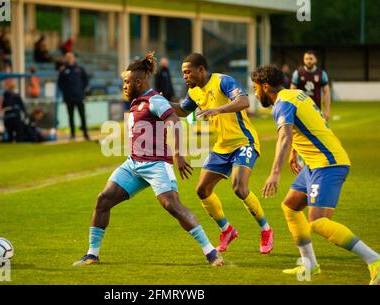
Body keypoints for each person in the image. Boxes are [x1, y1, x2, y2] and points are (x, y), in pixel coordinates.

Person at [73, 52, 223, 267]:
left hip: (156, 165)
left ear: (139, 82)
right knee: (103, 200)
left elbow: (174, 120)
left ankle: (211, 252)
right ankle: (92, 255)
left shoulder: (154, 100)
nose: (124, 86)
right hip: (133, 164)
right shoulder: (136, 101)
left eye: (127, 82)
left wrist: (178, 153)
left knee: (172, 206)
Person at [251, 65, 380, 285]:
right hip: (313, 163)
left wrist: (274, 173)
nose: (255, 93)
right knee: (290, 206)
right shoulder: (296, 95)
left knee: (319, 221)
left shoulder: (282, 104)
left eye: (255, 88)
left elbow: (284, 137)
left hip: (328, 163)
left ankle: (375, 260)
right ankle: (309, 263)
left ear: (265, 86)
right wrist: (294, 154)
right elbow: (304, 125)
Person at [171, 53, 273, 254]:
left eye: (187, 72)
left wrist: (218, 110)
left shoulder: (223, 81)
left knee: (239, 187)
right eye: (183, 73)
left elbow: (244, 101)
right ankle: (226, 230)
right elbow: (182, 111)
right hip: (222, 146)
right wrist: (156, 101)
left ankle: (266, 229)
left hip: (244, 142)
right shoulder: (194, 93)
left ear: (201, 70)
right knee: (202, 190)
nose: (185, 77)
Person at [57, 52, 90, 140]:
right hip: (69, 98)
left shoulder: (79, 69)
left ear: (74, 58)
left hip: (79, 96)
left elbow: (86, 79)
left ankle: (85, 133)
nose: (70, 59)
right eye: (68, 57)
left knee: (82, 115)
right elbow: (60, 83)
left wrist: (81, 89)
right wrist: (65, 91)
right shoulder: (63, 70)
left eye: (71, 57)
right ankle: (72, 134)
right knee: (71, 116)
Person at [291, 50, 331, 121]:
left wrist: (327, 109)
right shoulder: (297, 73)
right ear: (303, 60)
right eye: (306, 59)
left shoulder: (322, 74)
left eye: (311, 59)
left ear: (316, 60)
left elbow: (326, 92)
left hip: (316, 109)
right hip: (300, 109)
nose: (308, 61)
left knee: (316, 131)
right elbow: (292, 92)